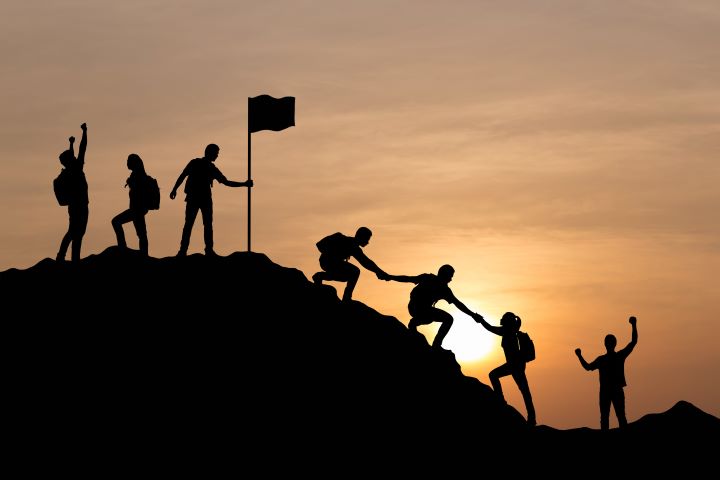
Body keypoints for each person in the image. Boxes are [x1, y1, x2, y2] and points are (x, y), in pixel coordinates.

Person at [170, 143, 253, 256]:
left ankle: (206, 249)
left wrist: (244, 184)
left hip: (203, 199)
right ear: (210, 153)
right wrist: (174, 189)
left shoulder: (209, 167)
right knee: (192, 224)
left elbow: (226, 182)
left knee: (205, 224)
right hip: (196, 198)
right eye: (216, 153)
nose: (217, 156)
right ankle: (184, 250)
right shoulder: (196, 163)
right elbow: (183, 175)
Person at [386, 264, 475, 350]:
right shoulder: (429, 279)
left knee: (430, 319)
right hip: (416, 307)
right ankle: (436, 345)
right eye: (450, 276)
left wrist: (473, 315)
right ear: (445, 275)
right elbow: (408, 278)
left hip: (419, 310)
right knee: (448, 319)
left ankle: (414, 322)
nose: (451, 279)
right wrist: (390, 277)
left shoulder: (443, 288)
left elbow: (458, 304)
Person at [575, 316, 638, 430]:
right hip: (610, 391)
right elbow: (633, 342)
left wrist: (579, 356)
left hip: (609, 391)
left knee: (612, 418)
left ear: (606, 344)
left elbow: (587, 367)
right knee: (614, 418)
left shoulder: (606, 359)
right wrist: (579, 356)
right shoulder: (615, 357)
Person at [474, 311, 536, 426]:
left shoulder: (507, 331)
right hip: (517, 365)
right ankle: (531, 418)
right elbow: (491, 328)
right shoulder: (512, 331)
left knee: (493, 375)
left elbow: (490, 328)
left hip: (514, 365)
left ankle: (500, 399)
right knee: (525, 391)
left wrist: (481, 320)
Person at [312, 227, 389, 302]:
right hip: (327, 262)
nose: (368, 242)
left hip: (334, 264)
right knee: (355, 271)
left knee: (346, 277)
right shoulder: (341, 237)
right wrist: (332, 254)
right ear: (361, 237)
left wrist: (379, 272)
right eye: (367, 239)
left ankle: (320, 276)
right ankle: (347, 298)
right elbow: (319, 244)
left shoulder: (355, 249)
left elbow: (366, 262)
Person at [56, 123, 89, 263]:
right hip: (79, 205)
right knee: (76, 232)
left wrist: (70, 144)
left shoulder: (69, 171)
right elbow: (83, 148)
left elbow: (75, 153)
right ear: (70, 160)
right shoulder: (76, 169)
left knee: (74, 232)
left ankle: (66, 256)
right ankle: (70, 257)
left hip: (76, 205)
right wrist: (84, 132)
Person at [111, 154, 151, 255]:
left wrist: (131, 182)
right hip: (137, 209)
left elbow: (139, 191)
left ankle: (123, 247)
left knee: (116, 222)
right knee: (141, 233)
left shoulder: (139, 175)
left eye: (129, 161)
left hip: (137, 209)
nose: (127, 163)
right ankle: (143, 253)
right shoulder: (137, 174)